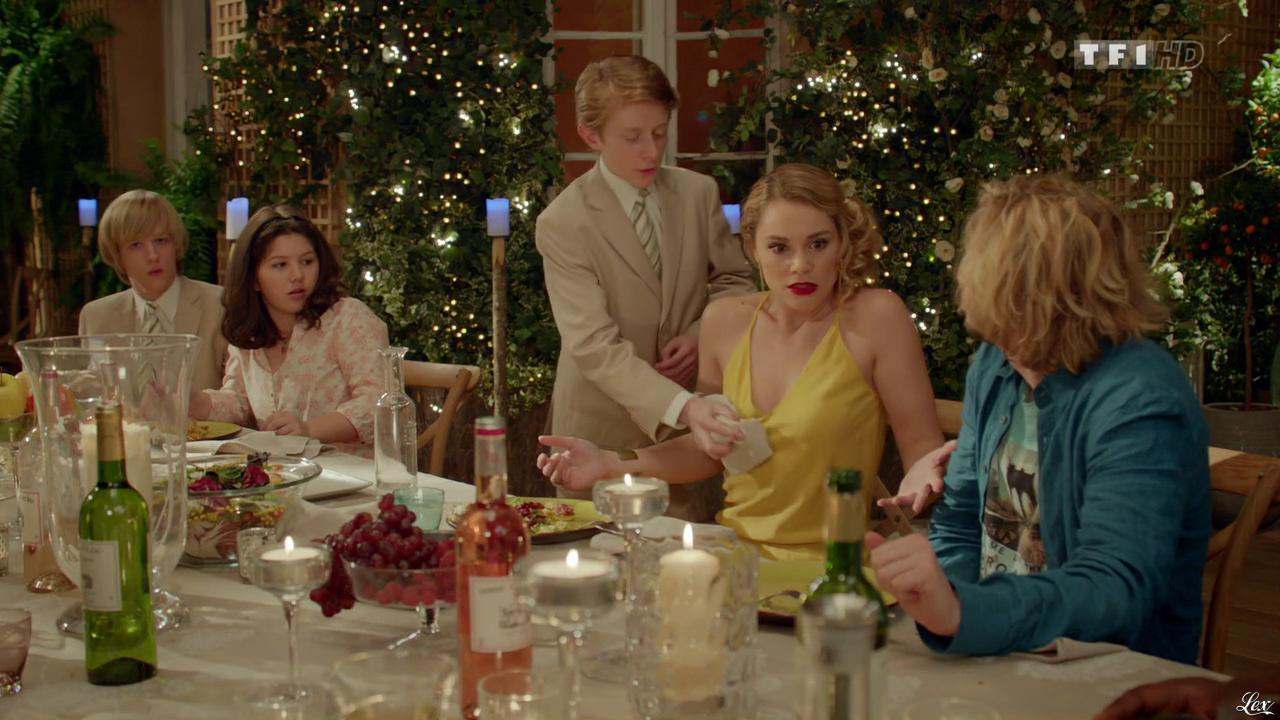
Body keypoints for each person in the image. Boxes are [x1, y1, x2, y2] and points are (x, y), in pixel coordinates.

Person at [870, 174, 1210, 664]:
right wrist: (934, 596)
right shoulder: (995, 364)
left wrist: (964, 611)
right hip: (998, 652)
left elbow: (1116, 590)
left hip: (1109, 672)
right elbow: (960, 524)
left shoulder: (1140, 400)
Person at [537, 163, 949, 560]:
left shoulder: (878, 317)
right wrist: (611, 463)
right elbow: (708, 450)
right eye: (779, 248)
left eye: (818, 244)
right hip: (736, 558)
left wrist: (921, 484)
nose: (800, 265)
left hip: (837, 566)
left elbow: (923, 451)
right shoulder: (724, 321)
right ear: (752, 249)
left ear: (842, 241)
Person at [535, 55, 757, 520]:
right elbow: (592, 346)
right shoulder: (563, 222)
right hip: (597, 428)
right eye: (633, 137)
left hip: (683, 442)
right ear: (590, 136)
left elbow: (736, 282)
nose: (651, 151)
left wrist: (699, 334)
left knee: (681, 556)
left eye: (659, 132)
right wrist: (683, 406)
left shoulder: (698, 193)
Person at [189, 205, 389, 453]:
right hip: (280, 472)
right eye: (280, 265)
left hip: (352, 472)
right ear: (253, 278)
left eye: (307, 261)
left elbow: (379, 403)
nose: (297, 275)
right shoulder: (249, 334)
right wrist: (194, 402)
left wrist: (309, 430)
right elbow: (239, 401)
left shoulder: (348, 318)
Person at [79, 189, 228, 390]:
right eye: (136, 245)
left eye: (160, 241)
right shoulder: (97, 317)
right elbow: (93, 393)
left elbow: (239, 397)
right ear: (117, 256)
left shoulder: (219, 306)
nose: (152, 256)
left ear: (175, 244)